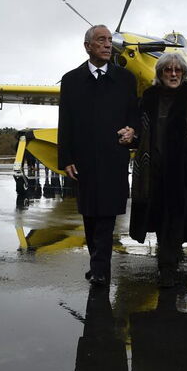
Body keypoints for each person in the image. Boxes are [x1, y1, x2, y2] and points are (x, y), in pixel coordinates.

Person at [57, 24, 139, 286]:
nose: (107, 44)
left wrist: (133, 131)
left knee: (107, 214)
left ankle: (101, 269)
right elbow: (65, 121)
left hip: (113, 156)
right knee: (89, 213)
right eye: (101, 40)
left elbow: (134, 115)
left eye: (109, 41)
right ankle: (97, 262)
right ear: (87, 46)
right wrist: (66, 157)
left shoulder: (126, 79)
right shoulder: (70, 80)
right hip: (84, 160)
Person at [129, 52, 187, 287]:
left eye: (177, 70)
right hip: (154, 168)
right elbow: (138, 128)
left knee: (177, 218)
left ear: (183, 73)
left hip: (182, 168)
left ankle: (169, 264)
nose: (173, 74)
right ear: (160, 74)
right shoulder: (148, 97)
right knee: (160, 218)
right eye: (167, 70)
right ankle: (166, 265)